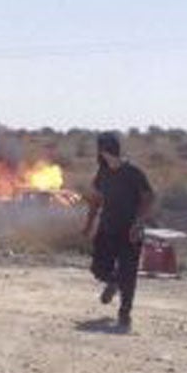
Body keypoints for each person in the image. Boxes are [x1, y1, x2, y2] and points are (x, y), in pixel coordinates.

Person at [82, 132, 155, 331]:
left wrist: (138, 223)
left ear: (106, 150)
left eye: (101, 149)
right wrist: (89, 224)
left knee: (128, 273)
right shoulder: (102, 174)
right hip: (107, 228)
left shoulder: (132, 172)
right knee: (98, 268)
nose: (100, 154)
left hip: (130, 231)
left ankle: (125, 313)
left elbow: (148, 197)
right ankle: (113, 281)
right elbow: (96, 200)